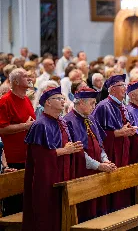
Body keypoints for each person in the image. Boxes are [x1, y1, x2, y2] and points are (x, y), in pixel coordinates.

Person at [22, 86, 83, 231]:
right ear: (48, 102)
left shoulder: (61, 121)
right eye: (59, 99)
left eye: (63, 98)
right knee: (47, 217)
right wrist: (65, 150)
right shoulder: (40, 125)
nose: (63, 101)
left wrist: (73, 148)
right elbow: (39, 157)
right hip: (46, 179)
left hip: (63, 173)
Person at [64, 88, 116, 222]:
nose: (95, 106)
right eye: (92, 103)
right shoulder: (68, 121)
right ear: (81, 103)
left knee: (100, 210)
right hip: (83, 171)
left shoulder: (91, 118)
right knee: (87, 211)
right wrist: (99, 165)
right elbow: (78, 153)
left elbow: (100, 144)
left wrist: (106, 160)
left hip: (99, 170)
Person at [92, 74, 137, 211]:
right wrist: (118, 133)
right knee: (112, 186)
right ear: (112, 89)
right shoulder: (103, 106)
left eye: (125, 85)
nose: (125, 88)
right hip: (111, 151)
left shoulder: (122, 105)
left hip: (123, 149)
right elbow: (95, 133)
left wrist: (128, 130)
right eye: (121, 86)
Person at [0, 68, 36, 216]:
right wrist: (25, 126)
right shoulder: (5, 101)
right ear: (15, 81)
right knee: (14, 205)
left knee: (27, 202)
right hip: (13, 158)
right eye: (25, 76)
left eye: (29, 75)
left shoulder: (26, 99)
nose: (29, 78)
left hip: (28, 154)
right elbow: (1, 129)